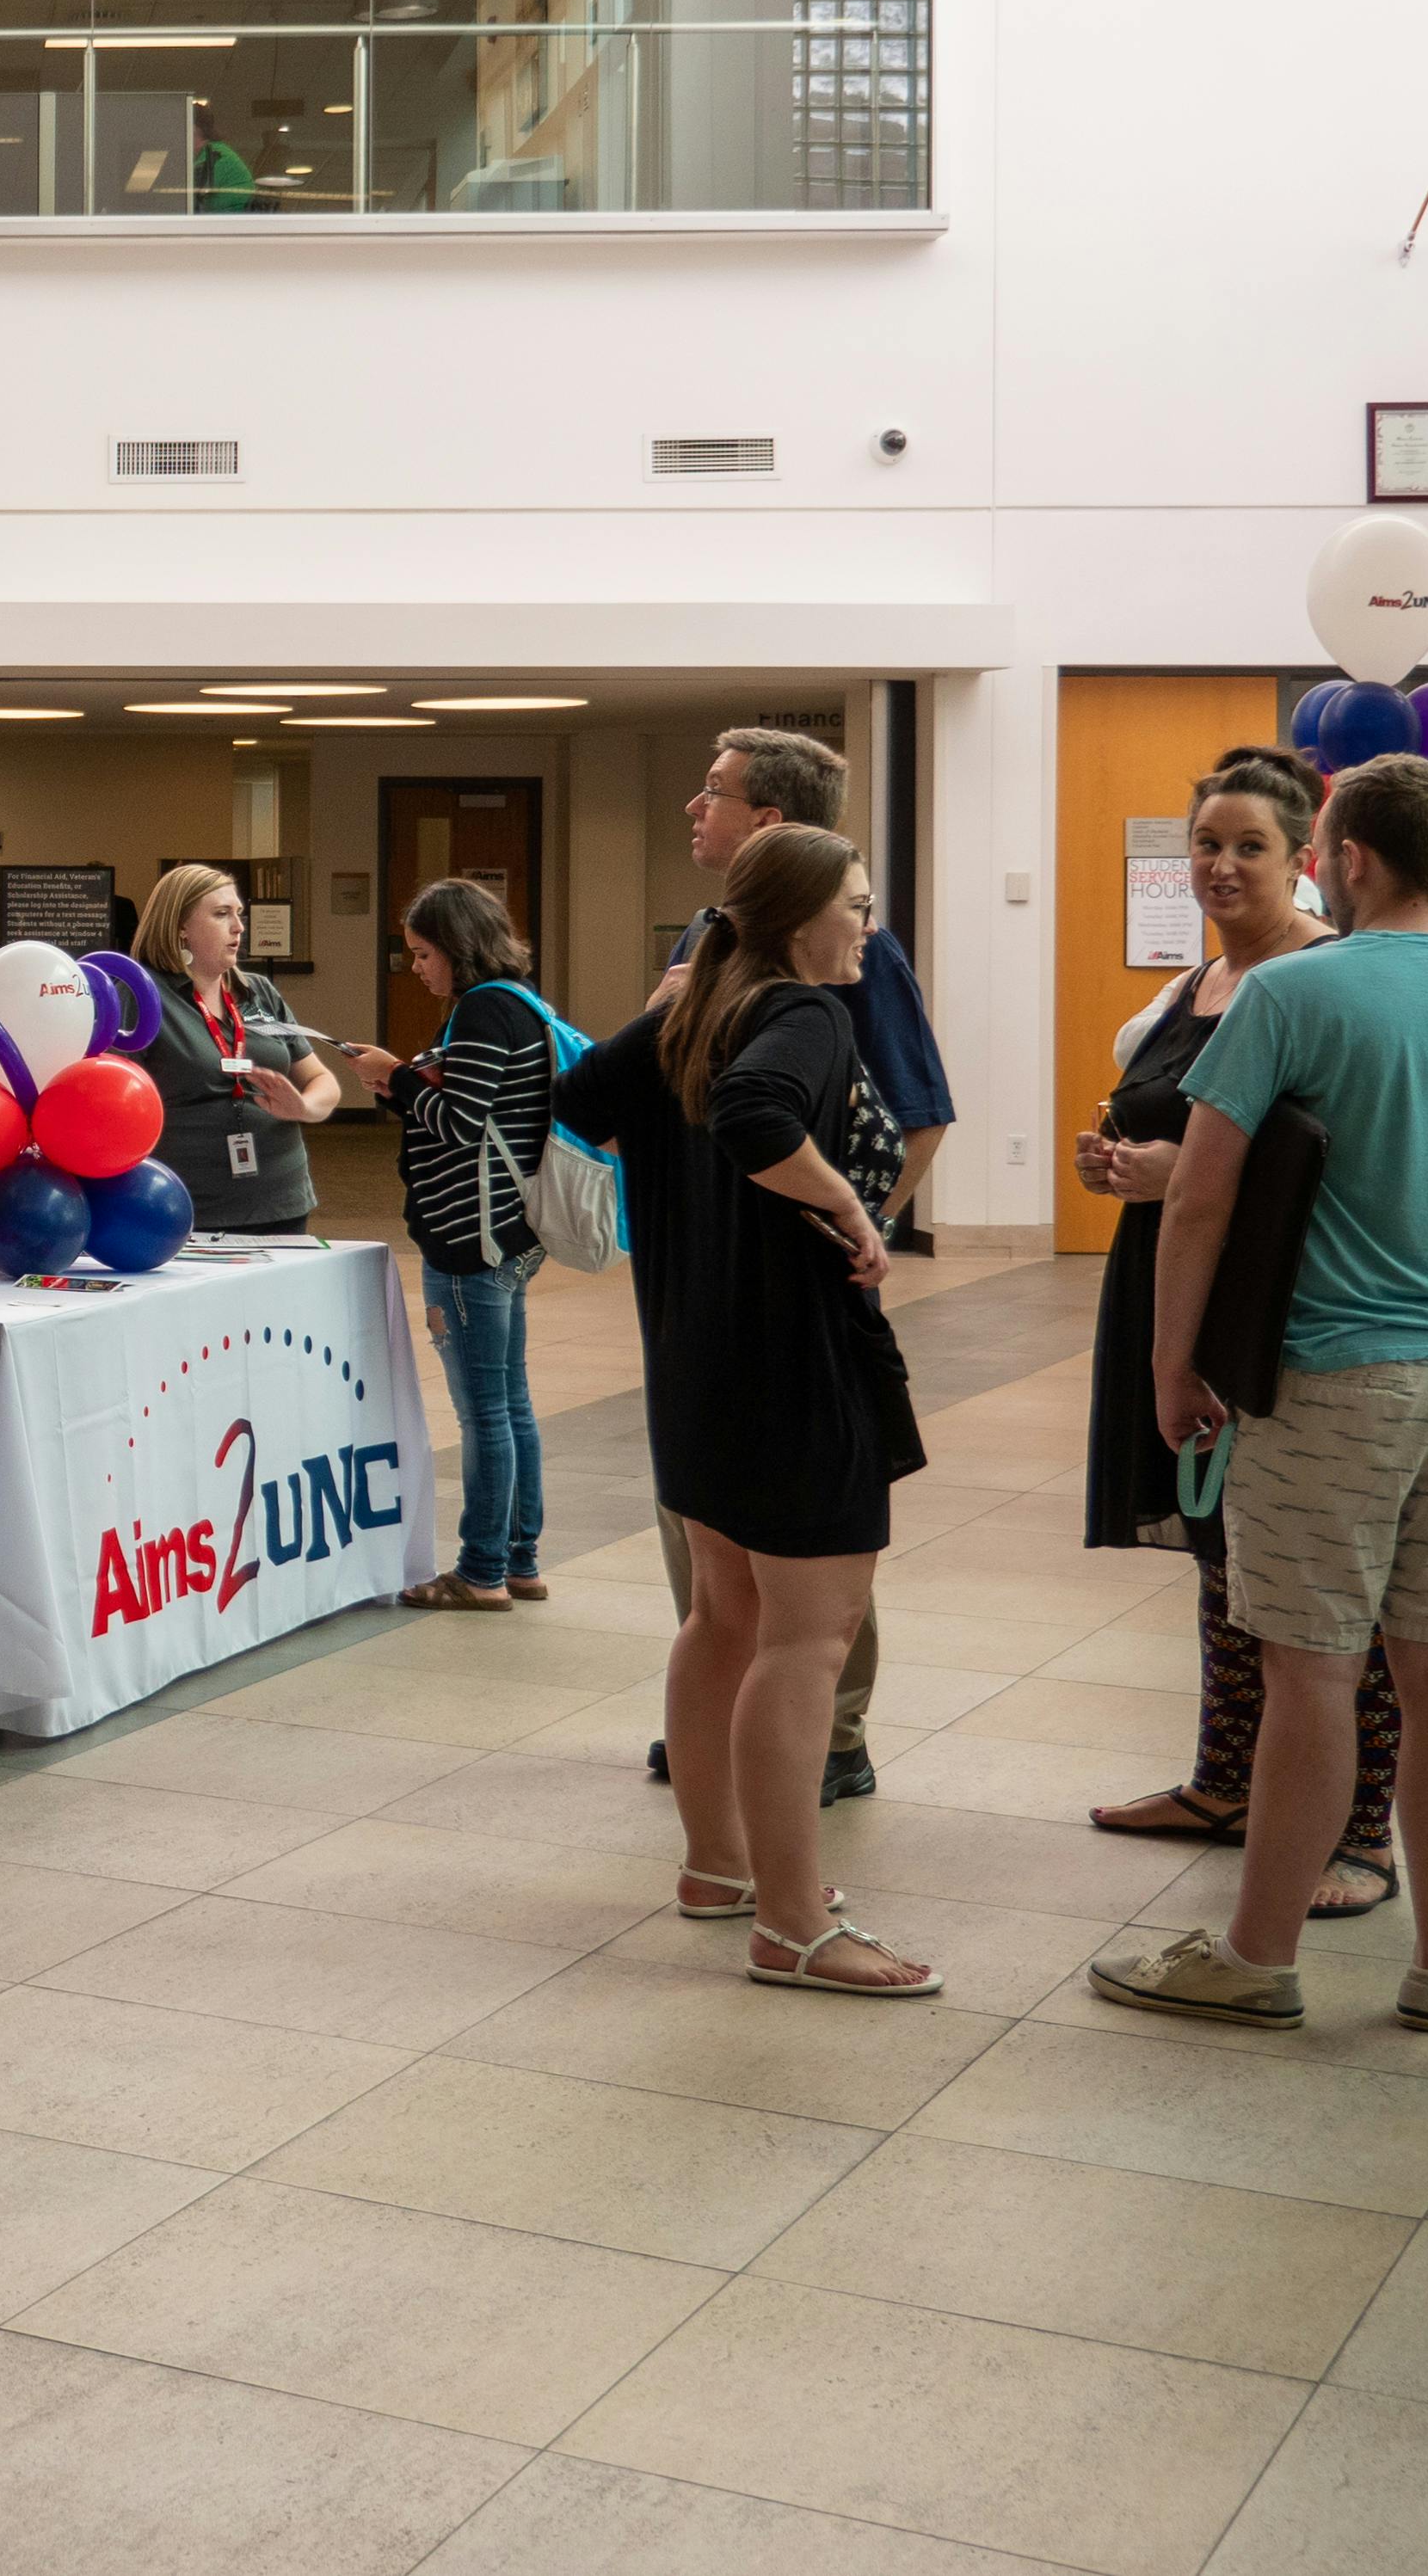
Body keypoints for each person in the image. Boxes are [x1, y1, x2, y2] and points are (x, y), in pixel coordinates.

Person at [1093, 753, 1428, 2036]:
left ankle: (1256, 1956)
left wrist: (1174, 1367)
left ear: (1348, 859)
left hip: (1331, 1377)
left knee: (1310, 1668)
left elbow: (1197, 1197)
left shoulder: (1292, 993)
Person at [560, 823, 940, 1997]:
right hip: (788, 1367)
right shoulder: (803, 1014)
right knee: (803, 1639)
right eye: (858, 908)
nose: (869, 930)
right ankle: (789, 1923)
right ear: (793, 918)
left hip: (691, 1366)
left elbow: (578, 1093)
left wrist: (663, 1003)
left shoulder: (696, 1007)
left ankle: (717, 1866)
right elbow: (755, 1118)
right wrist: (855, 1211)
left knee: (723, 1617)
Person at [1075, 753, 1397, 1918]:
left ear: (1303, 856)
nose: (1217, 864)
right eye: (1203, 843)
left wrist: (1181, 1175)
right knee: (1221, 1558)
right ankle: (1224, 1780)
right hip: (1171, 1282)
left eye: (1246, 845)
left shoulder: (1325, 974)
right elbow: (1170, 1130)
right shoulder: (1194, 981)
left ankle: (1359, 1829)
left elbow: (1339, 1158)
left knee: (1314, 1582)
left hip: (1274, 1302)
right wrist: (1119, 1164)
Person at [643, 725, 946, 1802]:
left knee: (808, 1548)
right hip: (701, 1287)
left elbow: (918, 1117)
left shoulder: (854, 957)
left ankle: (830, 1734)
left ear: (770, 821)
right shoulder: (711, 938)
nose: (694, 805)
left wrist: (849, 1230)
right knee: (713, 1547)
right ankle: (724, 1725)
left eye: (713, 790)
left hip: (793, 1298)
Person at [337, 878, 554, 1613]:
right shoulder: (520, 1000)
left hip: (471, 1237)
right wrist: (401, 1077)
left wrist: (392, 1076)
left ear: (459, 949)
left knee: (485, 1412)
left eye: (424, 954)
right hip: (509, 1230)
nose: (417, 969)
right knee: (511, 1401)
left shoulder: (485, 1008)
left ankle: (482, 1568)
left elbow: (461, 1122)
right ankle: (519, 1557)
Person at [132, 860, 341, 1235]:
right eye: (221, 914)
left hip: (281, 1195)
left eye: (239, 914)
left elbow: (322, 1079)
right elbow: (115, 1100)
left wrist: (304, 1107)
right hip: (188, 1204)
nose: (239, 927)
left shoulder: (259, 992)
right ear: (180, 926)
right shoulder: (141, 996)